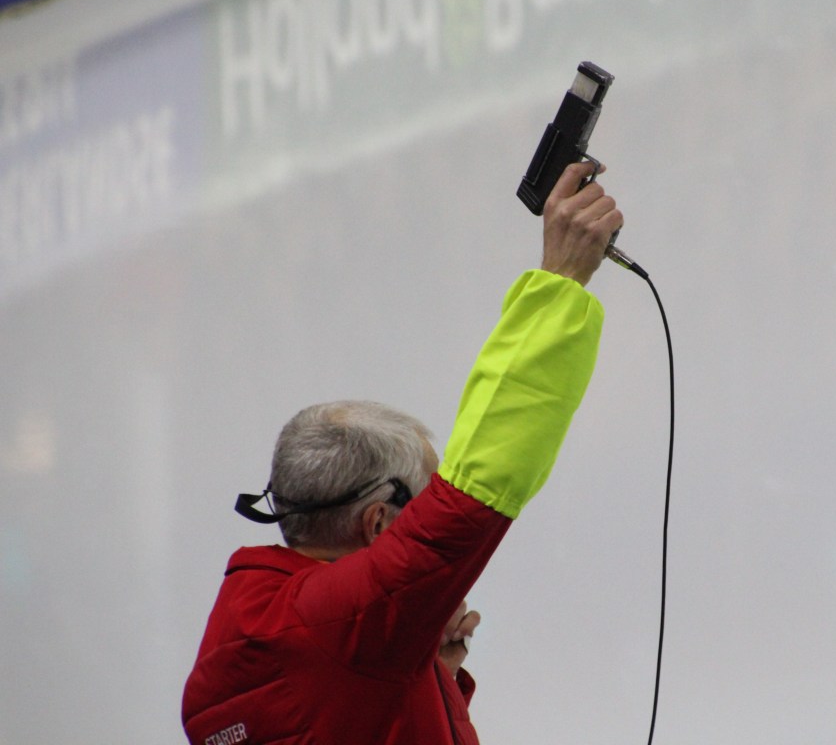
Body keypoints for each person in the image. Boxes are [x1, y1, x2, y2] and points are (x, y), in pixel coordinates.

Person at [182, 161, 623, 745]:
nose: (432, 506)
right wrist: (560, 284)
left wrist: (423, 675)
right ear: (377, 522)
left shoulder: (250, 633)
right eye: (423, 499)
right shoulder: (343, 628)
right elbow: (475, 488)